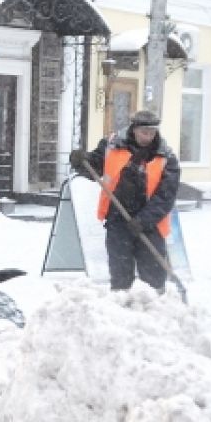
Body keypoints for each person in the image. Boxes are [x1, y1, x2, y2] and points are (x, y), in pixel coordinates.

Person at [69, 110, 180, 291]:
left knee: (153, 278)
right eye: (145, 132)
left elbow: (166, 196)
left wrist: (143, 220)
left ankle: (155, 312)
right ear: (134, 129)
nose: (148, 137)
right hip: (118, 220)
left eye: (152, 132)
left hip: (151, 226)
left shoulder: (166, 158)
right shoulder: (112, 146)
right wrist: (81, 160)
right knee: (121, 277)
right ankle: (121, 310)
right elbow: (94, 167)